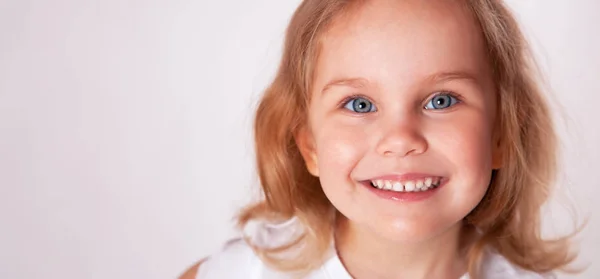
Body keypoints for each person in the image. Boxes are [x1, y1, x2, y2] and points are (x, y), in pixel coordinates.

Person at [182, 0, 580, 278]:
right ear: (310, 146)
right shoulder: (245, 272)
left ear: (502, 133)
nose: (400, 139)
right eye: (359, 105)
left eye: (441, 101)